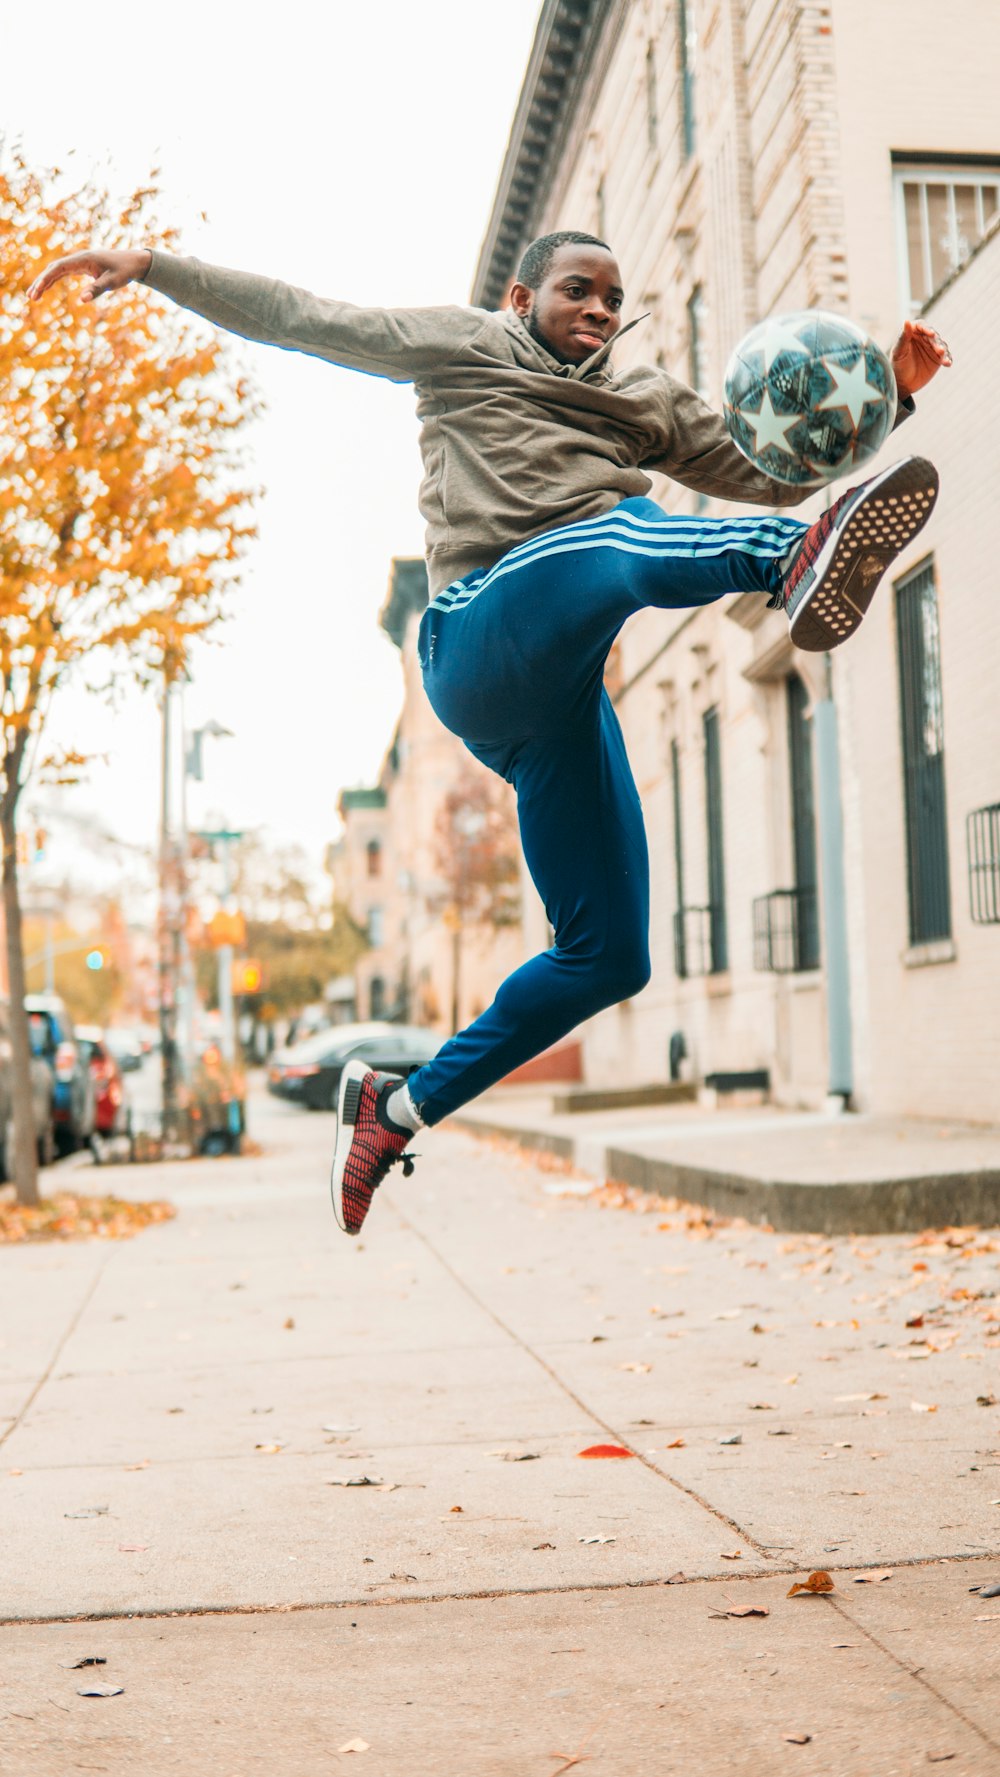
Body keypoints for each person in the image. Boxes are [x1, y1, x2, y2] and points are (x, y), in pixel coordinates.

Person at [29, 231, 951, 1236]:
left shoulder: (643, 404)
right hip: (473, 638)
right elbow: (305, 319)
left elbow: (767, 469)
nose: (598, 311)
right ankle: (786, 567)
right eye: (576, 291)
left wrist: (888, 400)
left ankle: (398, 1108)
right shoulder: (463, 346)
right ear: (522, 297)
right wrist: (157, 269)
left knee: (607, 955)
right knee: (610, 536)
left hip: (550, 701)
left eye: (612, 299)